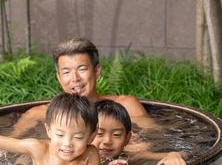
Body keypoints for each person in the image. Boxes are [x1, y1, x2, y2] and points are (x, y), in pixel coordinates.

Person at [10, 37, 159, 138]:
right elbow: (6, 148)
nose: (75, 79)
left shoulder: (126, 105)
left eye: (81, 69)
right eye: (66, 72)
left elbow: (156, 137)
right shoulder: (38, 114)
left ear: (97, 71)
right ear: (59, 77)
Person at [92, 100, 188, 165]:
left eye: (116, 135)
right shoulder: (82, 160)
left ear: (127, 139)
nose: (108, 141)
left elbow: (184, 154)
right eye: (99, 133)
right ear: (88, 135)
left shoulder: (131, 157)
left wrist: (173, 155)